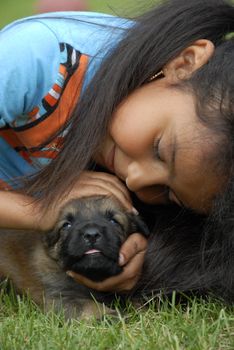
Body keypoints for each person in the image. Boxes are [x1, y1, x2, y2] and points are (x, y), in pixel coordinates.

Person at [0, 0, 234, 299]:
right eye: (159, 149)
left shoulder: (144, 127)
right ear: (184, 63)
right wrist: (35, 212)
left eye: (167, 192)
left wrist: (137, 252)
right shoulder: (32, 59)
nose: (136, 180)